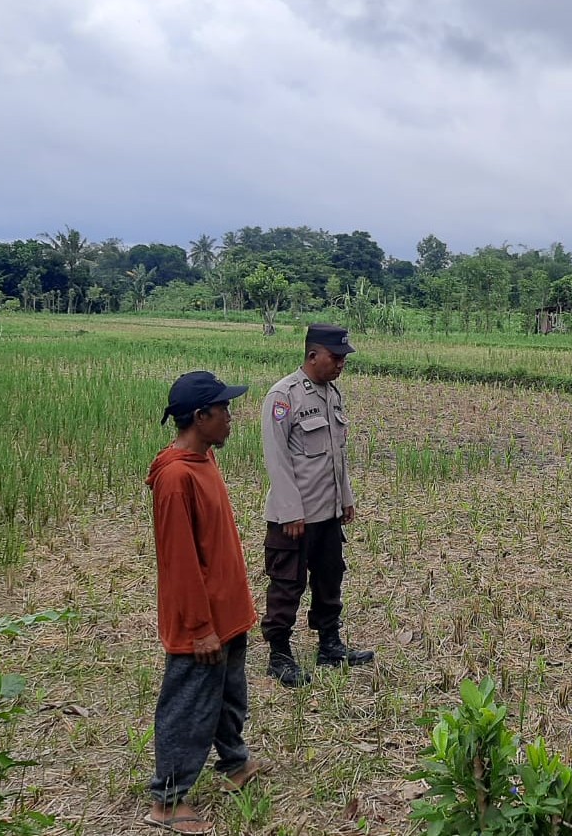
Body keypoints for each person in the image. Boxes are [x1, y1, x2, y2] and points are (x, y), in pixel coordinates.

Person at [144, 371, 265, 834]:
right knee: (190, 705)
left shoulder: (205, 460)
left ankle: (235, 764)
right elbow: (180, 563)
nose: (232, 418)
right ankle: (167, 801)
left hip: (228, 612)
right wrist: (199, 628)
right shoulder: (175, 478)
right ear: (201, 416)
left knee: (228, 697)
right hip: (202, 622)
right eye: (225, 410)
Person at [260, 324, 375, 687]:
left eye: (344, 358)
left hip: (328, 512)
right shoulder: (284, 396)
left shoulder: (332, 395)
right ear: (313, 355)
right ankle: (279, 654)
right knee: (287, 583)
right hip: (295, 516)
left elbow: (337, 455)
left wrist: (346, 499)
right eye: (336, 357)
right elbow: (276, 459)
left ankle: (329, 644)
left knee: (330, 578)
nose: (342, 364)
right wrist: (291, 510)